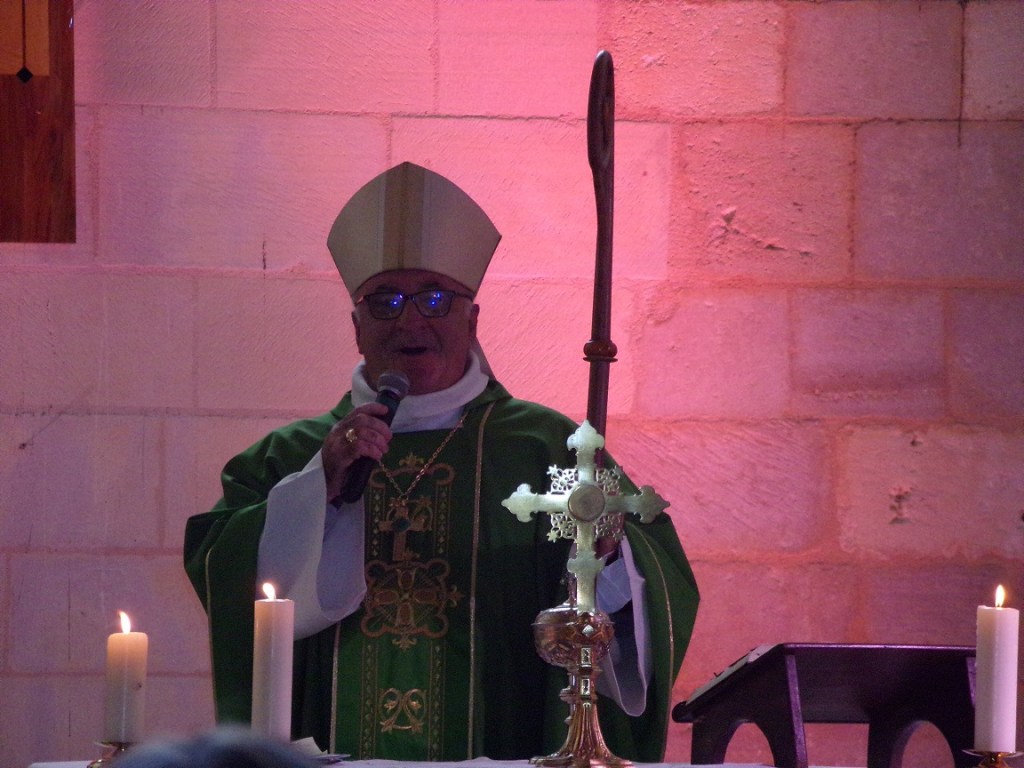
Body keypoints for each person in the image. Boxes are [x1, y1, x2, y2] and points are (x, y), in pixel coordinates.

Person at [184, 162, 699, 762]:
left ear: (472, 319)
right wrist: (315, 489)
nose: (410, 320)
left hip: (503, 749)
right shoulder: (290, 457)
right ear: (354, 327)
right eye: (385, 301)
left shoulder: (546, 447)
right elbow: (223, 568)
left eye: (434, 298)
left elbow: (653, 583)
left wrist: (609, 556)